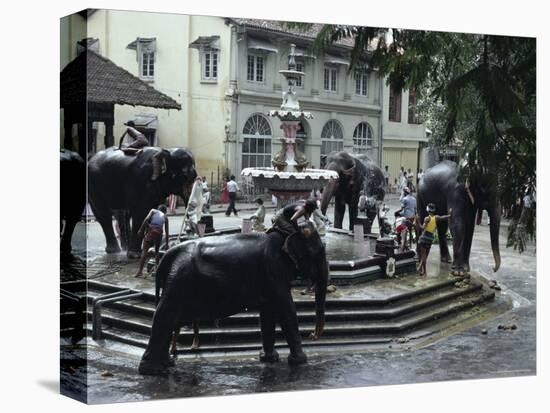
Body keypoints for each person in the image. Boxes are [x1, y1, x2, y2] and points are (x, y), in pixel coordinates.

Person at [416, 203, 451, 276]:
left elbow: (422, 228)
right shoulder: (436, 217)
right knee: (426, 256)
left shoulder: (427, 218)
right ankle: (422, 270)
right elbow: (443, 217)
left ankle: (422, 270)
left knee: (423, 256)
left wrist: (418, 221)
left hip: (424, 237)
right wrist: (449, 215)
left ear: (428, 210)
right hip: (430, 238)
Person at [135, 205, 169, 278]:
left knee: (144, 251)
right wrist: (167, 244)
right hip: (159, 232)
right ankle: (156, 270)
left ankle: (139, 271)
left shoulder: (153, 210)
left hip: (151, 230)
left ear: (158, 209)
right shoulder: (165, 217)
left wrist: (141, 229)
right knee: (156, 251)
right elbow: (167, 232)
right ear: (165, 211)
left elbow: (146, 219)